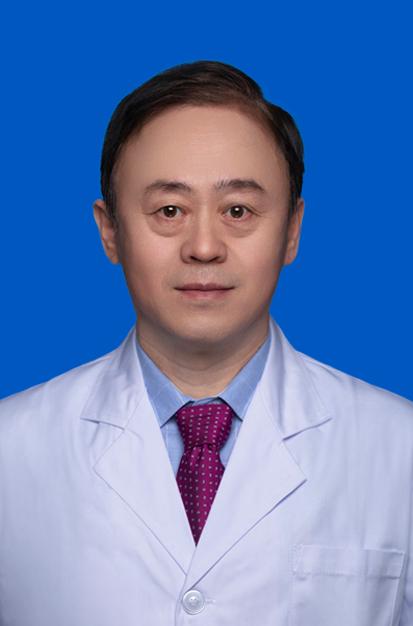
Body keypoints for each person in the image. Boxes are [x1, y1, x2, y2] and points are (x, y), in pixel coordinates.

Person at [0, 60, 412, 626]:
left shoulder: (399, 449)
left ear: (292, 230)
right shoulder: (11, 449)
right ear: (110, 230)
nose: (203, 247)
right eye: (169, 211)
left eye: (238, 211)